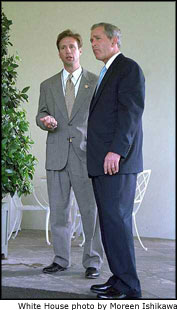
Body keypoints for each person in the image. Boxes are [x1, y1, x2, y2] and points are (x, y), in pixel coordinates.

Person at [36, 29, 103, 279]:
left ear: (80, 50)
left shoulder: (95, 82)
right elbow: (40, 114)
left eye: (72, 46)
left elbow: (102, 119)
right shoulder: (47, 85)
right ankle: (61, 259)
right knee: (59, 212)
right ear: (59, 52)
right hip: (57, 156)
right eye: (63, 47)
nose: (68, 51)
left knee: (90, 212)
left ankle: (93, 261)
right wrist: (45, 120)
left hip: (85, 155)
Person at [87, 23, 145, 299]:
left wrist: (117, 151)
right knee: (110, 224)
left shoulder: (128, 68)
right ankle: (118, 277)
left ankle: (130, 287)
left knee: (117, 223)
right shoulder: (107, 72)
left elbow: (130, 113)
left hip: (115, 162)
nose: (93, 44)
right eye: (91, 40)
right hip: (103, 163)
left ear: (114, 41)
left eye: (97, 38)